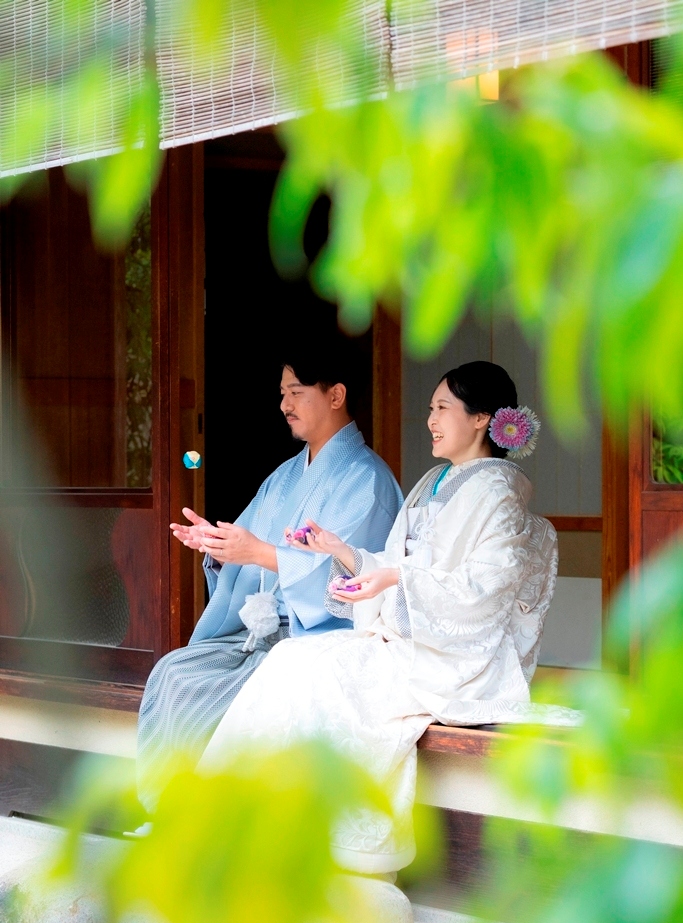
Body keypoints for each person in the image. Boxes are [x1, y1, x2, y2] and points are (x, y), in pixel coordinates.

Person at [198, 361, 582, 874]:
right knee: (290, 658)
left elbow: (481, 591)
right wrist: (342, 553)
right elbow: (394, 563)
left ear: (481, 419)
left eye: (443, 408)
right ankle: (234, 817)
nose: (431, 420)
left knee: (329, 675)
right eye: (430, 408)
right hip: (408, 635)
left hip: (451, 655)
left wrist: (393, 581)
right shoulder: (433, 481)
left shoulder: (499, 492)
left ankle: (323, 842)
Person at [136, 348, 402, 811]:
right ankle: (170, 814)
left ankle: (210, 818)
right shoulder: (284, 476)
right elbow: (247, 545)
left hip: (315, 642)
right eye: (282, 394)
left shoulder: (368, 479)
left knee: (223, 699)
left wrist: (255, 552)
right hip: (261, 634)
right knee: (174, 673)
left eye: (296, 392)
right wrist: (218, 548)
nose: (284, 405)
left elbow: (350, 573)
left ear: (336, 395)